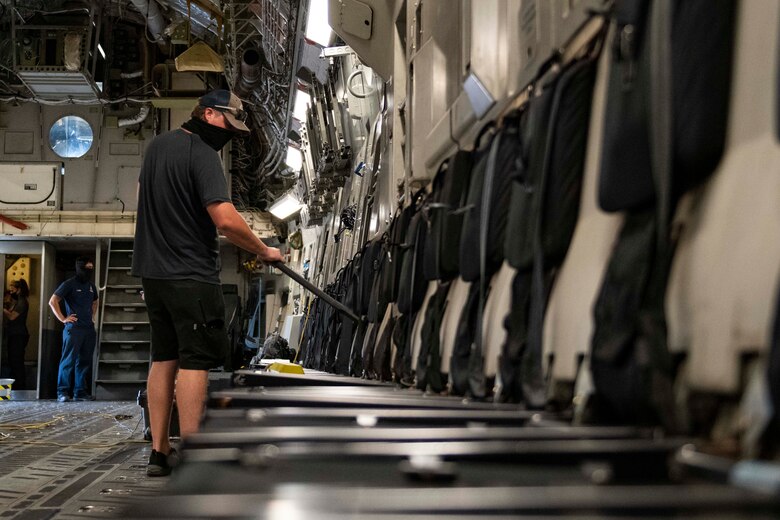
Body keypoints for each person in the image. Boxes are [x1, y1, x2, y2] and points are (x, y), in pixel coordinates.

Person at [132, 89, 284, 477]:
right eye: (229, 125)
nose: (230, 135)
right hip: (191, 275)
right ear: (210, 115)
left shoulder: (157, 148)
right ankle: (196, 455)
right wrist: (263, 249)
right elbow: (225, 219)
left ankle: (159, 451)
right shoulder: (202, 154)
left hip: (154, 274)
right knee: (195, 362)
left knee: (163, 357)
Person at [48, 258, 98, 402]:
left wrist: (92, 316)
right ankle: (62, 392)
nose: (89, 270)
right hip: (73, 329)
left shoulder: (91, 286)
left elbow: (95, 301)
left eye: (91, 268)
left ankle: (80, 392)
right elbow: (53, 301)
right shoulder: (69, 284)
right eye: (87, 267)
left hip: (88, 329)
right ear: (80, 268)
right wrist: (63, 319)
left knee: (84, 361)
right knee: (68, 360)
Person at [4, 279, 30, 389]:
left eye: (12, 287)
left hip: (18, 335)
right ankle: (16, 386)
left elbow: (12, 316)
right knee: (13, 361)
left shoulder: (22, 302)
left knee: (16, 362)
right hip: (15, 334)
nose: (10, 289)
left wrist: (2, 308)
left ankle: (20, 386)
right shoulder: (18, 301)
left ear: (19, 289)